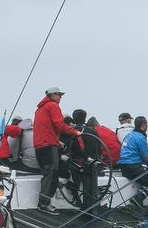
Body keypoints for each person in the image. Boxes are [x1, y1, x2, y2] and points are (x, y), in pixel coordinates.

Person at [33, 87, 80, 215]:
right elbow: (59, 124)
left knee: (47, 173)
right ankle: (43, 204)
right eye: (59, 95)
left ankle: (43, 202)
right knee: (52, 174)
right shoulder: (52, 106)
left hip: (40, 146)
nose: (60, 97)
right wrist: (75, 131)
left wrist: (57, 141)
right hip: (48, 146)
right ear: (52, 95)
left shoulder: (40, 109)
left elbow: (45, 128)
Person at [72, 109, 103, 214]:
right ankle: (91, 205)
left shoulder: (72, 130)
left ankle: (82, 203)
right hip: (93, 162)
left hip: (79, 163)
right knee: (89, 181)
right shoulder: (93, 131)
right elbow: (99, 147)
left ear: (74, 118)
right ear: (85, 118)